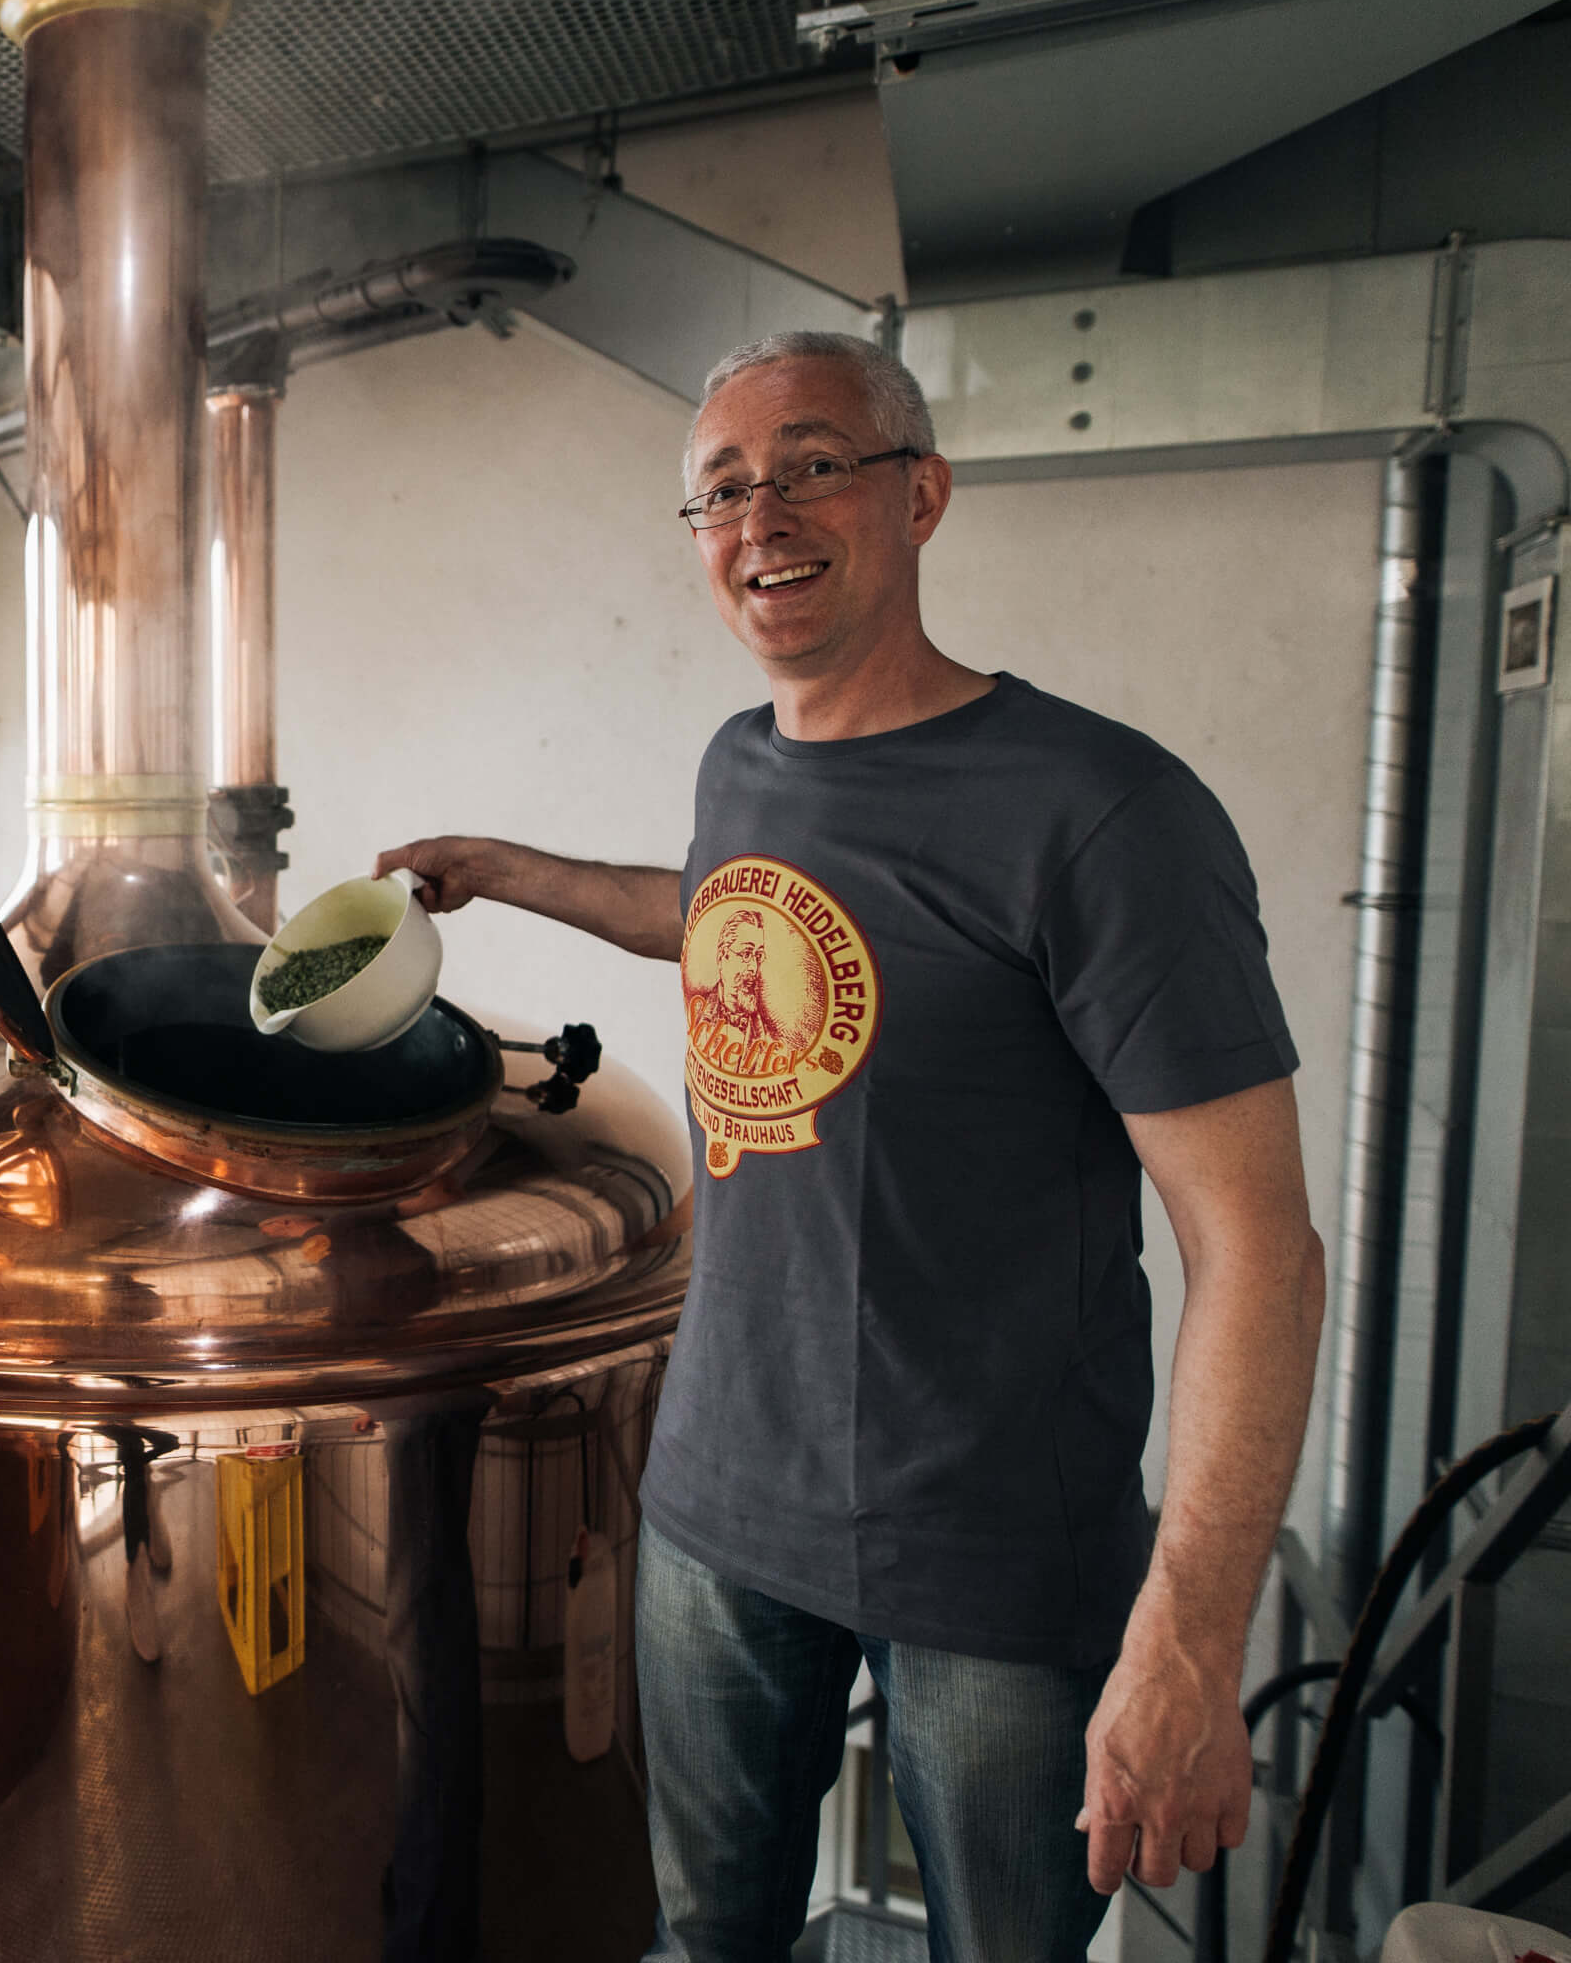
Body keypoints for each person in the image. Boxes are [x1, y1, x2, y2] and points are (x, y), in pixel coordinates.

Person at [379, 330, 1327, 1961]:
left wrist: (1187, 1638)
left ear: (922, 495)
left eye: (813, 465)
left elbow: (1258, 1250)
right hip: (720, 1510)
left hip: (992, 1557)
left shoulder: (1099, 813)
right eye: (723, 491)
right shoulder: (743, 764)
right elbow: (728, 920)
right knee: (703, 1938)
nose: (765, 518)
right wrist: (513, 869)